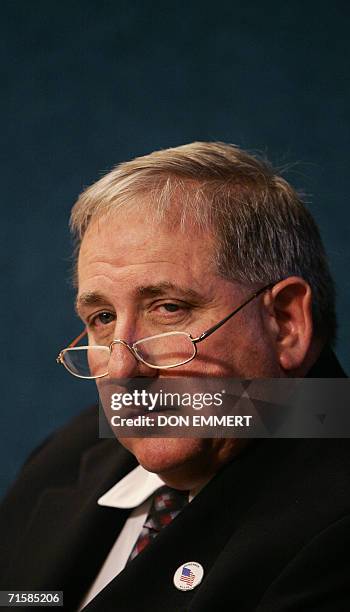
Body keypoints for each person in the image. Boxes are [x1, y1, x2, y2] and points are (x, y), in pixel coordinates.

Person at [0, 142, 349, 612]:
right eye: (103, 317)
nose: (123, 370)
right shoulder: (70, 453)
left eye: (168, 309)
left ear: (285, 323)